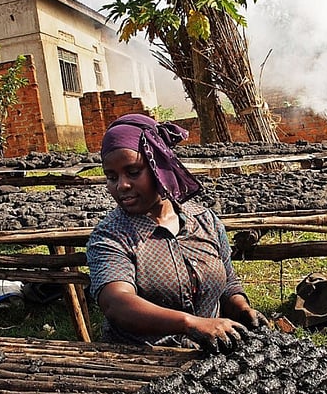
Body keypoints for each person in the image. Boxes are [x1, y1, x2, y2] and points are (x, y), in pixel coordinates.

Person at [86, 114, 268, 352]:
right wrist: (189, 323)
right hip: (144, 360)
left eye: (133, 172)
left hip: (211, 355)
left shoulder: (205, 221)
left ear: (159, 167)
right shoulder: (110, 236)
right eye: (112, 177)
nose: (121, 185)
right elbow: (116, 303)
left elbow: (228, 283)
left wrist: (241, 308)